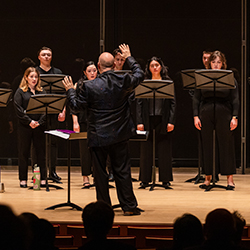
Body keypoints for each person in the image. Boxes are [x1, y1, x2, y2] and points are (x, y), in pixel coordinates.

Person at [63, 43, 144, 215]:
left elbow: (76, 107)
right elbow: (140, 74)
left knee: (100, 175)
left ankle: (104, 209)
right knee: (123, 171)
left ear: (98, 67)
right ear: (114, 64)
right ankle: (129, 207)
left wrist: (70, 91)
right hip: (120, 134)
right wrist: (129, 56)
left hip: (98, 136)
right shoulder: (124, 80)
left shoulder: (88, 85)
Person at [193, 50, 239, 189]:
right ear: (209, 63)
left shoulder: (230, 77)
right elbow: (196, 98)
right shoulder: (202, 78)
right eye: (214, 62)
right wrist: (196, 116)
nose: (216, 65)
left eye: (219, 62)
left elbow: (235, 99)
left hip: (224, 111)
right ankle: (207, 178)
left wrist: (234, 117)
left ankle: (229, 179)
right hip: (206, 111)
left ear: (223, 63)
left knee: (226, 145)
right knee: (207, 144)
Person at [136, 56, 176, 188]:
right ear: (148, 68)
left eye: (157, 65)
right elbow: (139, 103)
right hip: (148, 118)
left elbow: (172, 104)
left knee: (164, 149)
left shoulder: (167, 81)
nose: (155, 67)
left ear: (161, 67)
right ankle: (145, 179)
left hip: (162, 118)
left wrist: (171, 121)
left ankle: (165, 179)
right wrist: (139, 121)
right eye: (152, 65)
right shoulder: (143, 81)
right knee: (146, 150)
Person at [14, 67, 46, 188]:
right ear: (26, 77)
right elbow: (18, 109)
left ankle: (42, 178)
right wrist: (29, 121)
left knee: (40, 152)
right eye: (31, 76)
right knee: (24, 152)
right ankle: (23, 179)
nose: (34, 79)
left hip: (39, 125)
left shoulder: (41, 91)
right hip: (25, 126)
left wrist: (39, 121)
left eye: (36, 77)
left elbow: (46, 109)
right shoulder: (20, 92)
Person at [36, 46, 65, 181]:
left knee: (53, 142)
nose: (46, 56)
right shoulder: (35, 72)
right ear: (39, 57)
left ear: (51, 57)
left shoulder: (58, 72)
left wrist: (62, 110)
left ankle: (52, 171)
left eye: (49, 54)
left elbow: (63, 94)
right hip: (38, 112)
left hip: (53, 112)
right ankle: (37, 172)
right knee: (37, 143)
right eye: (44, 54)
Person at [72, 61, 97, 187]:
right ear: (84, 73)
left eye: (94, 71)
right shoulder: (79, 85)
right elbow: (74, 106)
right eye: (89, 71)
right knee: (84, 150)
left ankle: (97, 176)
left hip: (97, 121)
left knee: (97, 149)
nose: (92, 73)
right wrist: (75, 122)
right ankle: (85, 177)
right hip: (83, 120)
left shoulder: (100, 84)